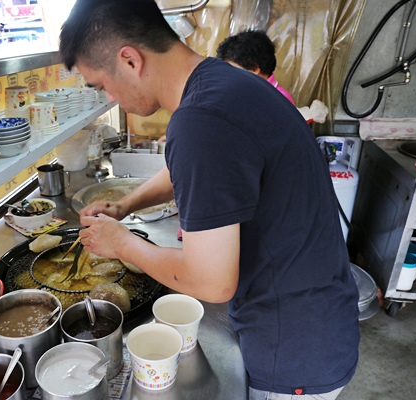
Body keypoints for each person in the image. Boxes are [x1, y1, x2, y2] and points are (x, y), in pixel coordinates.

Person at [59, 1, 359, 399]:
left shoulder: (202, 120)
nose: (109, 98)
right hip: (317, 315)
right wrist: (125, 205)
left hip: (291, 346)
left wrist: (123, 244)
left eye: (101, 85)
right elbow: (195, 168)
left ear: (129, 60)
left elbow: (211, 283)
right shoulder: (222, 81)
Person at [217, 29, 295, 105]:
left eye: (233, 70)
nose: (228, 76)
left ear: (254, 69)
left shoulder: (280, 99)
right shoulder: (242, 89)